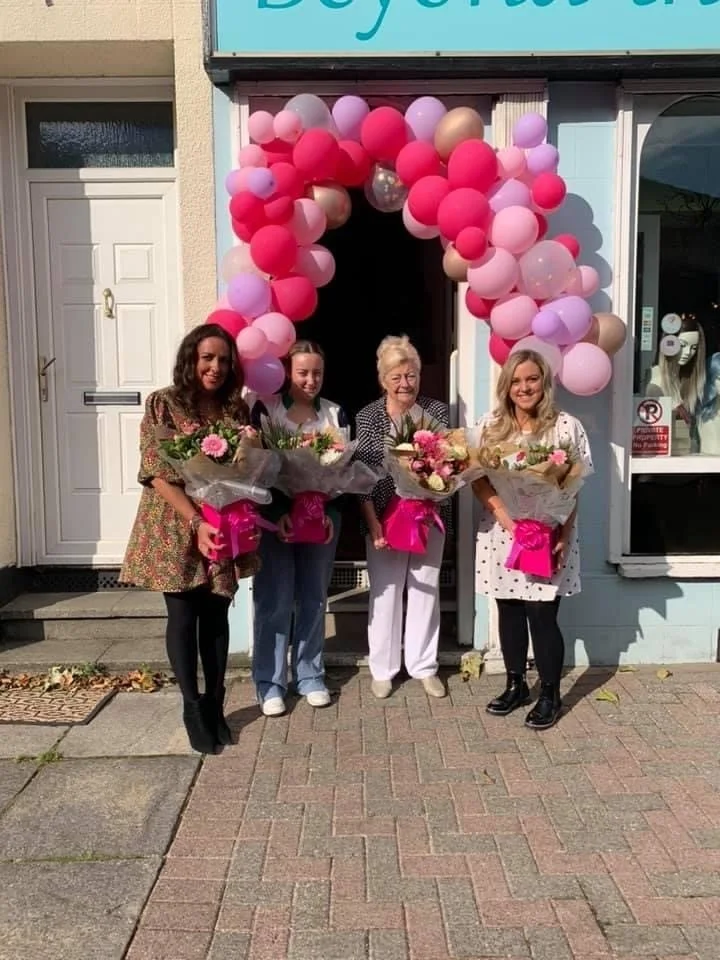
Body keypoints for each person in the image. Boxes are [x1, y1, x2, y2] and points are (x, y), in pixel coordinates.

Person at [120, 324, 258, 753]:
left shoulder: (234, 411)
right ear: (191, 361)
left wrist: (250, 452)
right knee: (182, 618)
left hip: (222, 522)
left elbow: (245, 471)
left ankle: (216, 705)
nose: (215, 367)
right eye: (207, 358)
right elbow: (155, 473)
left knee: (216, 616)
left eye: (223, 360)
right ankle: (191, 705)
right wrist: (197, 521)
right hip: (175, 523)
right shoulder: (162, 404)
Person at [473, 349, 592, 730]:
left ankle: (550, 695)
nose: (524, 388)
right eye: (517, 381)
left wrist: (564, 534)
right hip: (502, 531)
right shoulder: (490, 426)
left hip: (549, 534)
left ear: (544, 382)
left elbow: (574, 485)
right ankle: (516, 684)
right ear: (506, 386)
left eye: (532, 379)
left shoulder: (565, 427)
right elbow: (476, 478)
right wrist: (507, 521)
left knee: (542, 614)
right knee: (507, 608)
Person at [249, 341, 347, 717]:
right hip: (276, 518)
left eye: (317, 373)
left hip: (323, 517)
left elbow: (342, 470)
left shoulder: (334, 413)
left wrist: (328, 508)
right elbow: (255, 468)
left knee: (313, 596)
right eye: (303, 372)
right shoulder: (268, 410)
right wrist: (281, 510)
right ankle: (270, 682)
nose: (310, 380)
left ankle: (310, 674)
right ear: (287, 372)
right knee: (274, 596)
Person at [354, 335, 448, 700]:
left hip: (427, 515)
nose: (405, 384)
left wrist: (439, 492)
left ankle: (424, 666)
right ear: (383, 380)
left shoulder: (437, 412)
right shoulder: (368, 416)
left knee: (425, 588)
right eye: (396, 377)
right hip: (384, 517)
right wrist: (373, 522)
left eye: (410, 375)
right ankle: (383, 668)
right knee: (386, 591)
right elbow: (361, 474)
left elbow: (452, 462)